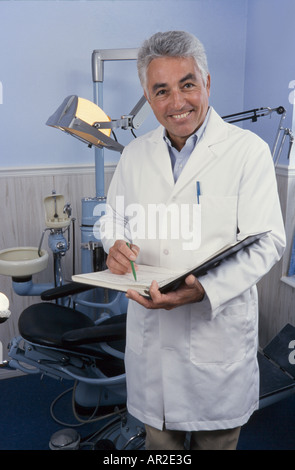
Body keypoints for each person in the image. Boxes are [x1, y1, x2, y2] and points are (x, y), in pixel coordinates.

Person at [100, 31, 286, 450]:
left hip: (214, 343)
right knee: (160, 450)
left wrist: (203, 289)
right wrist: (114, 243)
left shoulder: (247, 152)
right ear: (148, 99)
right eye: (161, 90)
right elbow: (111, 218)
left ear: (207, 84)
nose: (177, 102)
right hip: (152, 347)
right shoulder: (135, 154)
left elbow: (268, 241)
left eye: (187, 84)